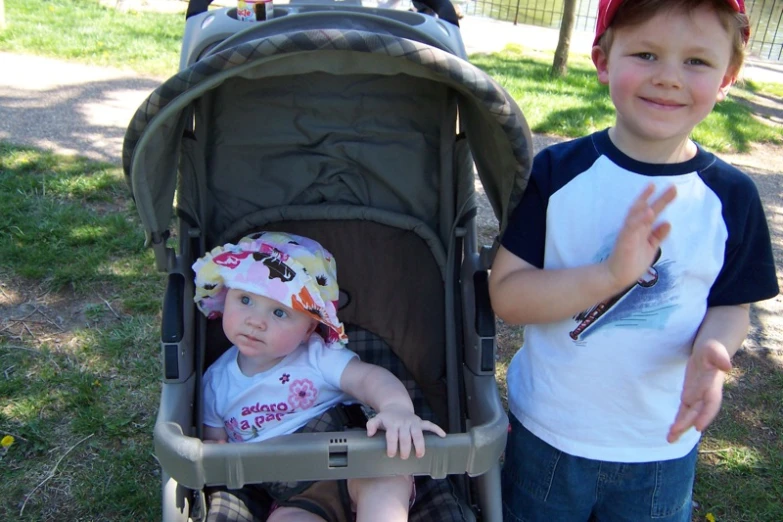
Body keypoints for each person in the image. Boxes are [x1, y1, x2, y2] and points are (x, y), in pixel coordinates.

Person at [488, 1, 779, 521]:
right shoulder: (555, 173)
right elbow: (507, 295)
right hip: (549, 435)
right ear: (603, 60)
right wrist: (607, 276)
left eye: (696, 61)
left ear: (727, 78)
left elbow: (733, 305)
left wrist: (714, 347)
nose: (668, 78)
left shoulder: (731, 197)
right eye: (646, 54)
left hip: (661, 447)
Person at [193, 231, 446, 522]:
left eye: (278, 312)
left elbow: (369, 379)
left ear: (309, 330)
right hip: (292, 492)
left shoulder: (317, 357)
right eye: (245, 300)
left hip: (359, 462)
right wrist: (212, 451)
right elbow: (216, 447)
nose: (256, 321)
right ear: (225, 298)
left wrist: (396, 408)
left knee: (384, 490)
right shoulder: (215, 384)